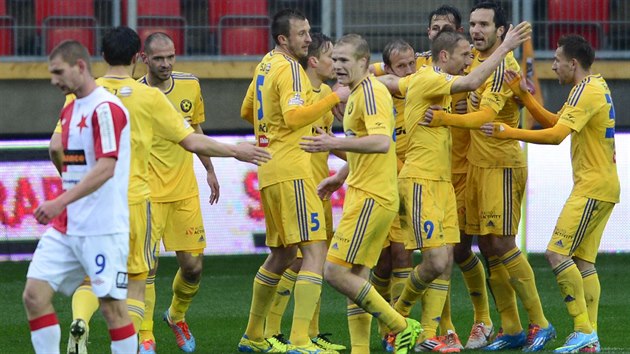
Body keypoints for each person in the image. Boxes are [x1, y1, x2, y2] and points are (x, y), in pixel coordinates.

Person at [54, 26, 271, 354]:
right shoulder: (148, 97)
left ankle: (82, 321)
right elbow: (191, 139)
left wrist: (73, 182)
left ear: (101, 56)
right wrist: (235, 151)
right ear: (136, 58)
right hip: (138, 199)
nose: (166, 63)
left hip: (95, 201)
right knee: (139, 277)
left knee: (94, 273)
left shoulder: (82, 94)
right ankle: (137, 342)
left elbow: (57, 146)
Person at [378, 21, 530, 353]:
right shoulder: (431, 78)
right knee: (434, 262)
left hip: (442, 183)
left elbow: (392, 79)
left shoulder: (433, 81)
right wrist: (505, 48)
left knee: (446, 261)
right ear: (444, 55)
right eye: (464, 54)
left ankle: (427, 334)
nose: (469, 59)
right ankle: (398, 319)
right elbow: (474, 79)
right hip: (420, 183)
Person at [422, 2, 555, 351]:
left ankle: (540, 322)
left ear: (501, 31)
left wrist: (443, 118)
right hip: (478, 166)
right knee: (487, 246)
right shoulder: (475, 62)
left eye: (485, 24)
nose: (477, 30)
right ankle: (509, 327)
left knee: (500, 243)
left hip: (501, 164)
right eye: (473, 24)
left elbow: (484, 116)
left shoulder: (503, 65)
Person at [481, 34, 619, 354]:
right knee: (583, 261)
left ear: (573, 64)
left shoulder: (586, 91)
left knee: (557, 254)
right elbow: (558, 121)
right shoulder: (591, 87)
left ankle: (583, 330)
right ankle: (591, 337)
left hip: (592, 186)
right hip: (602, 184)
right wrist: (526, 100)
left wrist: (508, 132)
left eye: (557, 60)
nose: (552, 66)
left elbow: (556, 136)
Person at [300, 33, 422, 354]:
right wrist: (341, 176)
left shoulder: (370, 93)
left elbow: (382, 142)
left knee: (334, 272)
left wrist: (333, 143)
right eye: (335, 59)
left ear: (363, 63)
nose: (338, 66)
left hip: (372, 196)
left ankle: (400, 325)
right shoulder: (355, 92)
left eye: (345, 60)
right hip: (362, 190)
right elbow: (368, 145)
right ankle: (360, 349)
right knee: (356, 275)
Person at [237, 9, 349, 354]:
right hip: (293, 169)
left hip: (269, 168)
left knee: (283, 253)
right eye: (302, 33)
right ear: (283, 39)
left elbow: (247, 111)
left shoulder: (265, 64)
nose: (308, 38)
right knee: (315, 251)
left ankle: (253, 335)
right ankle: (301, 340)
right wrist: (333, 98)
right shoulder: (290, 69)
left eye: (308, 32)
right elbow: (293, 115)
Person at [23, 40, 137, 353]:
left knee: (112, 309)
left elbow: (106, 167)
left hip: (102, 228)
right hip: (67, 226)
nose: (53, 80)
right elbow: (71, 160)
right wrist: (66, 202)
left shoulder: (106, 108)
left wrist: (60, 200)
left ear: (80, 67)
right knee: (34, 296)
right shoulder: (72, 108)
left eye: (58, 72)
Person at [135, 32, 219, 353]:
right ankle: (145, 334)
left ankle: (176, 316)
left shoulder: (190, 85)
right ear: (144, 59)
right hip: (147, 193)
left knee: (193, 267)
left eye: (171, 56)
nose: (166, 64)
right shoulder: (133, 94)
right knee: (147, 266)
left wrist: (209, 169)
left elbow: (195, 128)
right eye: (158, 58)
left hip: (184, 191)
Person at [368, 38, 417, 352]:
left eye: (413, 63)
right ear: (387, 69)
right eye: (402, 66)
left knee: (402, 255)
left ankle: (396, 327)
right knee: (382, 263)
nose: (410, 71)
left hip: (408, 187)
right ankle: (383, 323)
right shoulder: (374, 96)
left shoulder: (420, 88)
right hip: (376, 186)